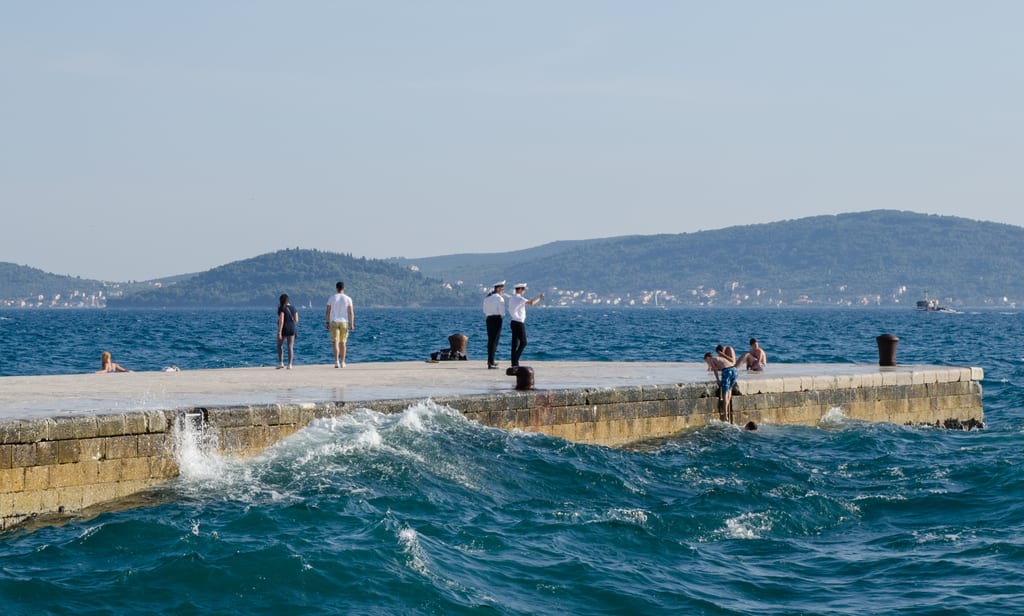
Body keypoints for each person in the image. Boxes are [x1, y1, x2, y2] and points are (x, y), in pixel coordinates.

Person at [507, 283, 544, 367]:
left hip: (513, 322)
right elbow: (531, 303)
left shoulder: (511, 298)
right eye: (523, 289)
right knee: (523, 342)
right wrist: (540, 297)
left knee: (514, 344)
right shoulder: (520, 298)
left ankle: (514, 364)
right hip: (519, 323)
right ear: (519, 289)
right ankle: (515, 359)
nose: (524, 291)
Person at [325, 281, 355, 368]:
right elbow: (351, 313)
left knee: (335, 342)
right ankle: (343, 361)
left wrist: (327, 322)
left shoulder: (332, 298)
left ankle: (336, 361)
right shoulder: (348, 299)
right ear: (344, 288)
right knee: (343, 342)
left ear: (336, 288)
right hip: (344, 321)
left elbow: (327, 312)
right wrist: (352, 324)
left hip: (334, 321)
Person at [482, 280, 507, 369]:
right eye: (502, 288)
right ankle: (491, 362)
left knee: (490, 341)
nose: (503, 290)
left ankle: (490, 360)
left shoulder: (487, 298)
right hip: (496, 319)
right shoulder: (499, 298)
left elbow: (484, 311)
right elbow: (502, 312)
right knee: (494, 341)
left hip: (488, 319)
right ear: (499, 288)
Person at [712, 344, 737, 421]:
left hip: (727, 372)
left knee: (725, 395)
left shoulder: (714, 359)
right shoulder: (724, 358)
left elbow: (715, 370)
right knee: (729, 393)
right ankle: (728, 412)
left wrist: (717, 379)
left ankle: (725, 415)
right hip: (734, 371)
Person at [277, 293, 299, 369]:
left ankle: (281, 363)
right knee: (290, 346)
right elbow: (296, 320)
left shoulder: (282, 308)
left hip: (284, 328)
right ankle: (290, 364)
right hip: (292, 328)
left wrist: (279, 332)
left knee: (280, 345)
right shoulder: (294, 308)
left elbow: (281, 321)